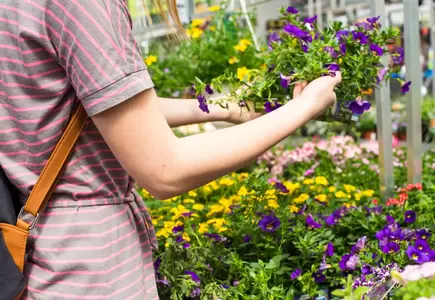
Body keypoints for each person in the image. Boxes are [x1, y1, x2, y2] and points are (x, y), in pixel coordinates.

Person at [0, 0, 340, 299]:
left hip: (45, 246)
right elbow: (165, 169)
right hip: (95, 265)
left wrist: (220, 106)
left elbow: (104, 106)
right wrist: (302, 109)